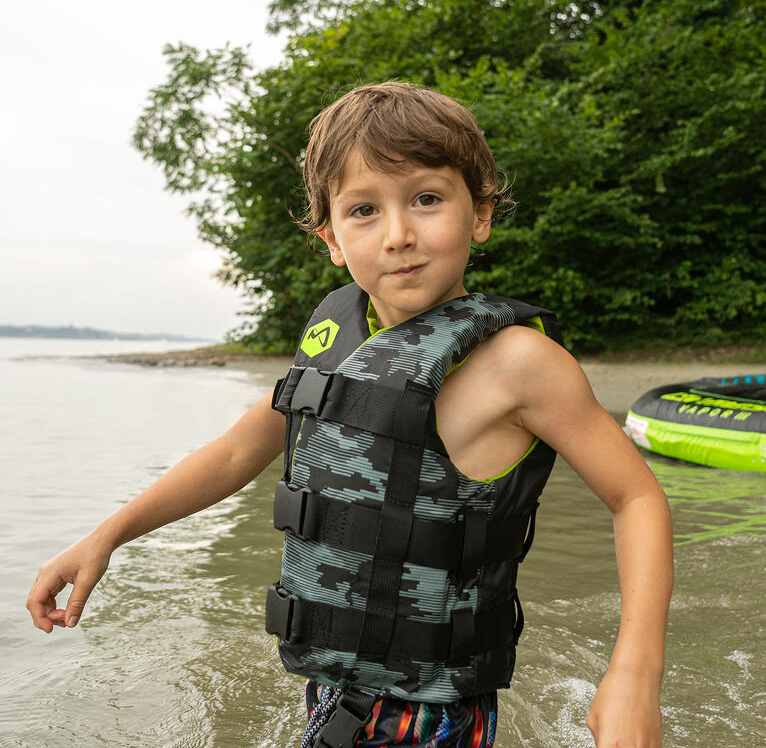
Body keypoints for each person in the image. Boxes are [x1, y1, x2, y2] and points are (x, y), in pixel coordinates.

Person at [27, 81, 673, 747]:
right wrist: (107, 536)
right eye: (365, 209)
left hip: (429, 714)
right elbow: (232, 455)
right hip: (335, 686)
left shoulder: (519, 363)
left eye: (426, 198)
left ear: (479, 214)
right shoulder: (335, 340)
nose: (399, 235)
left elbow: (637, 499)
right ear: (331, 236)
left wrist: (633, 674)